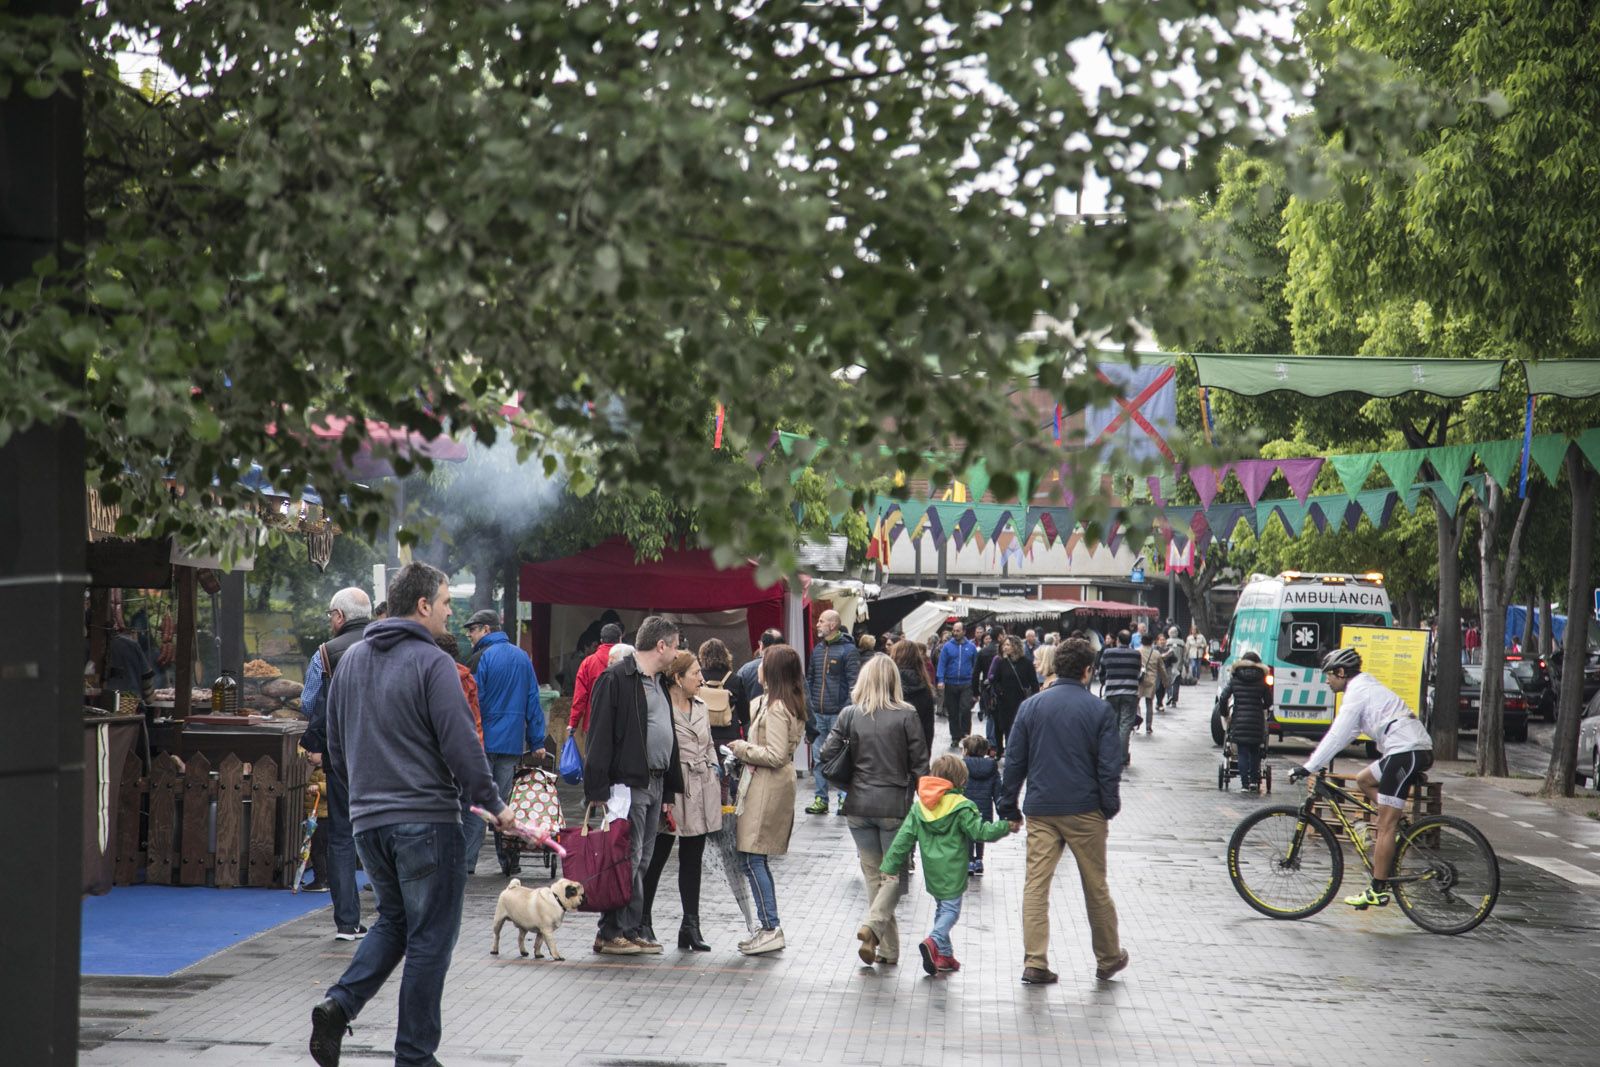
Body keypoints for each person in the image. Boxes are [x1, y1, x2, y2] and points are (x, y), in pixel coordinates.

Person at [309, 563, 514, 1067]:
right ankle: (415, 1056)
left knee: (395, 922)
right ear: (423, 605)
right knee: (431, 939)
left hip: (367, 822)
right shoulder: (433, 662)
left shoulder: (352, 660)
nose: (451, 611)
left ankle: (339, 1005)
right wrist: (494, 804)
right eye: (446, 601)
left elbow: (334, 745)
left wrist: (364, 794)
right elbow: (462, 744)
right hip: (425, 820)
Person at [998, 637, 1128, 986]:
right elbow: (1108, 766)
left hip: (1041, 808)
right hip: (1085, 809)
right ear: (1088, 671)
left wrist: (1008, 804)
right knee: (1095, 886)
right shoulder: (1100, 711)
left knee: (1036, 886)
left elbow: (1015, 761)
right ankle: (1108, 957)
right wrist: (1108, 805)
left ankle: (1035, 961)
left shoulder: (1031, 706)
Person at [1291, 648, 1434, 909]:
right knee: (1364, 779)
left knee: (1383, 826)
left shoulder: (1357, 692)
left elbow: (1336, 735)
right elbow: (1346, 735)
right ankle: (1396, 822)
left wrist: (1309, 766)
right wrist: (1316, 762)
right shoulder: (1362, 688)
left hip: (1406, 751)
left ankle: (1376, 889)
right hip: (1408, 748)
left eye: (1329, 675)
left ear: (1342, 672)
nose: (1326, 680)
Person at [818, 653, 929, 968]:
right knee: (892, 876)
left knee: (873, 876)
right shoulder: (907, 715)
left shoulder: (850, 714)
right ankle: (872, 926)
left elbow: (826, 753)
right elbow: (921, 765)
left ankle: (886, 949)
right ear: (894, 681)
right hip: (894, 805)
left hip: (858, 805)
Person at [583, 616, 685, 955]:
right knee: (626, 857)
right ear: (661, 646)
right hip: (628, 784)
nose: (677, 652)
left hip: (654, 783)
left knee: (642, 859)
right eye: (675, 645)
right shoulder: (616, 679)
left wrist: (669, 789)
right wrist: (597, 789)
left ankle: (631, 927)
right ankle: (611, 932)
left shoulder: (658, 681)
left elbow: (665, 733)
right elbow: (598, 736)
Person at [880, 753, 1015, 975]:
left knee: (942, 908)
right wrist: (1004, 826)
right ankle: (934, 940)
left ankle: (944, 955)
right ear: (961, 779)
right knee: (951, 911)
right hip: (953, 869)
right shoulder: (962, 806)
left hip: (932, 871)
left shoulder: (920, 807)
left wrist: (889, 866)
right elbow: (980, 832)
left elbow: (903, 838)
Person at [299, 587, 374, 941]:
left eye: (331, 615)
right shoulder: (389, 644)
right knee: (385, 832)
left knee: (343, 837)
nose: (330, 621)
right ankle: (396, 919)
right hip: (387, 758)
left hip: (342, 757)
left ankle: (347, 922)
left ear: (340, 617)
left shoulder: (325, 654)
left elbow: (308, 702)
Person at [728, 644, 806, 955]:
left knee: (754, 856)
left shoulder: (776, 708)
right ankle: (766, 925)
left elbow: (774, 754)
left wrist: (740, 748)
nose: (758, 666)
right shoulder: (780, 702)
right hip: (766, 783)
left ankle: (770, 926)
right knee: (752, 857)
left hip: (768, 785)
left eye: (763, 663)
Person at [640, 651, 721, 952]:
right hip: (671, 790)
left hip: (701, 788)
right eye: (695, 673)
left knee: (692, 860)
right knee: (656, 858)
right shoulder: (660, 707)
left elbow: (709, 743)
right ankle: (643, 920)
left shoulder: (700, 705)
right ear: (678, 678)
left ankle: (690, 925)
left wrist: (712, 766)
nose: (701, 678)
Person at [465, 608, 550, 878]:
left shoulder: (482, 657)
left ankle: (467, 862)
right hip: (512, 742)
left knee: (478, 801)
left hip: (484, 741)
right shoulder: (522, 658)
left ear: (486, 630)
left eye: (473, 629)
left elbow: (476, 702)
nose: (470, 635)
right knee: (503, 803)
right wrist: (537, 740)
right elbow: (532, 701)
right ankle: (509, 861)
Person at [696, 639, 759, 936]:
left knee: (711, 779)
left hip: (706, 738)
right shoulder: (735, 679)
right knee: (731, 780)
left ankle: (712, 809)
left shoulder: (697, 677)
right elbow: (746, 714)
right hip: (731, 738)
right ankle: (728, 813)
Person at [806, 610, 860, 815]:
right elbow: (810, 679)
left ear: (832, 625)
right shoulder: (818, 650)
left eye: (821, 621)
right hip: (818, 714)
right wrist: (809, 706)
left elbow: (854, 684)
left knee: (841, 758)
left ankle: (843, 798)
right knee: (819, 757)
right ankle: (821, 799)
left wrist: (845, 710)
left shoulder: (848, 651)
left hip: (838, 715)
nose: (817, 624)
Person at [1215, 652, 1272, 793]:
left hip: (1239, 719)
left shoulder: (1235, 678)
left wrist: (1224, 713)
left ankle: (1244, 785)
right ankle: (1254, 782)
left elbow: (1223, 697)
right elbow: (1269, 702)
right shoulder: (1262, 679)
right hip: (1256, 720)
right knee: (1255, 751)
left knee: (1242, 752)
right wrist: (1261, 708)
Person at [568, 622, 622, 758]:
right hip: (620, 725)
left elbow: (580, 698)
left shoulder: (588, 663)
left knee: (593, 764)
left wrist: (573, 723)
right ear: (620, 640)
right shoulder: (628, 663)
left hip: (593, 723)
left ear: (601, 641)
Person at [986, 634, 1038, 760]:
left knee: (1017, 728)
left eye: (1008, 645)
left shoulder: (1026, 663)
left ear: (1015, 646)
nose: (1005, 648)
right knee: (1003, 727)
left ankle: (1014, 751)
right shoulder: (1002, 662)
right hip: (1004, 702)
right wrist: (1000, 691)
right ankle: (1002, 751)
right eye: (1004, 645)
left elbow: (1033, 682)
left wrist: (1034, 699)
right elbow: (995, 680)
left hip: (1020, 701)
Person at [1098, 630, 1143, 766]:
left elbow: (1102, 671)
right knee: (1125, 725)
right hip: (1130, 693)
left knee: (1113, 723)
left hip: (1112, 692)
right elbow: (1138, 672)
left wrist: (1105, 681)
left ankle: (1111, 754)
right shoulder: (1136, 655)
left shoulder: (1108, 653)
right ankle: (1122, 756)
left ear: (1117, 640)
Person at [936, 619, 979, 748]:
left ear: (964, 632)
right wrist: (941, 680)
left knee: (965, 709)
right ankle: (955, 736)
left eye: (958, 631)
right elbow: (941, 664)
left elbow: (975, 665)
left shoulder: (971, 647)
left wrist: (975, 682)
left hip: (966, 683)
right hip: (950, 683)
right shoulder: (947, 647)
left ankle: (965, 735)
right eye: (953, 630)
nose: (955, 633)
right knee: (953, 711)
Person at [960, 735, 1000, 875]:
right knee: (980, 832)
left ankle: (969, 860)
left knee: (968, 833)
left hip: (966, 805)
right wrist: (1001, 807)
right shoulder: (992, 766)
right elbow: (997, 790)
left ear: (966, 750)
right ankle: (979, 860)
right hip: (984, 805)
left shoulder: (962, 765)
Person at [891, 639, 937, 752]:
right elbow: (928, 729)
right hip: (915, 750)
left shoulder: (887, 685)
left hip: (889, 752)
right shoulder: (925, 688)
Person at [739, 628, 784, 699]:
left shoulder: (745, 670)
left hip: (752, 709)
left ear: (761, 645)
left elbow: (737, 698)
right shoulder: (791, 667)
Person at [1137, 635, 1163, 732]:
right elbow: (1162, 669)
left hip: (1139, 679)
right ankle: (1148, 726)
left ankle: (1136, 721)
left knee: (1136, 702)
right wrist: (1166, 681)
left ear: (1141, 642)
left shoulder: (1137, 651)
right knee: (1149, 704)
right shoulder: (1156, 653)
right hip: (1151, 680)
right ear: (1152, 642)